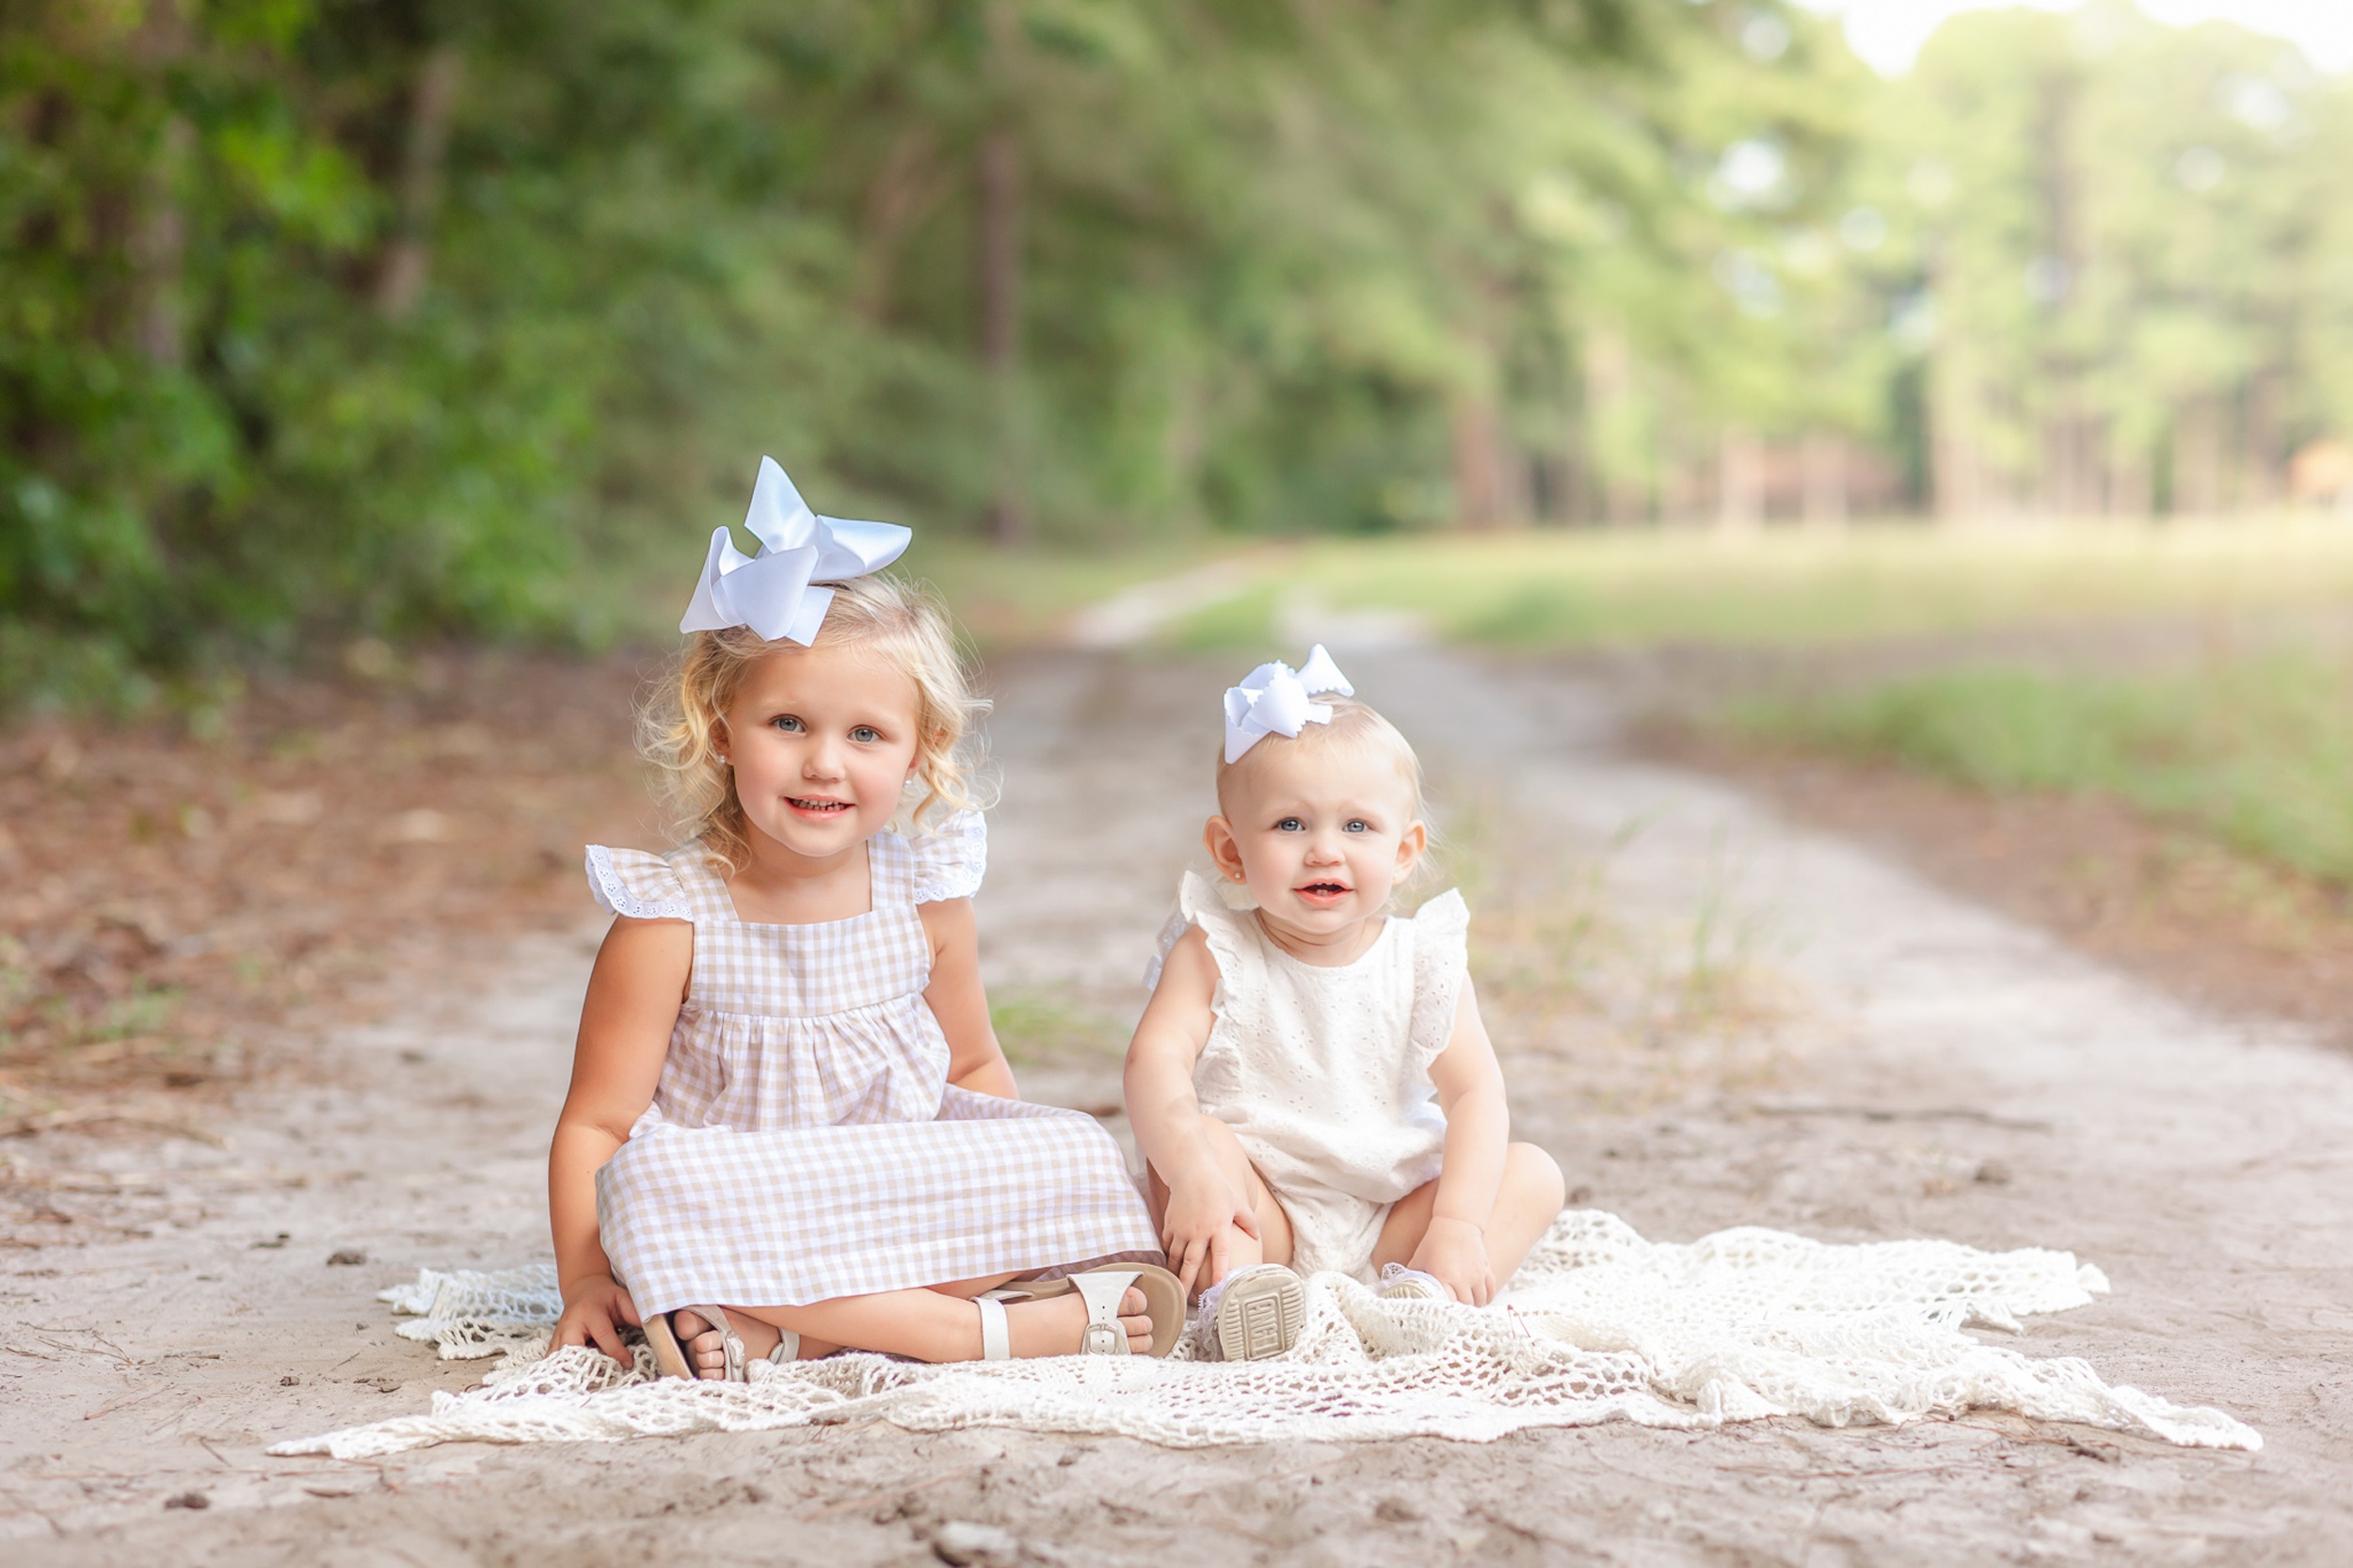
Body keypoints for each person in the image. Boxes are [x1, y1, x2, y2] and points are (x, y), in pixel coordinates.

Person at [550, 458, 1181, 1378]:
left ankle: (786, 1333)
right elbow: (599, 1126)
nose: (823, 765)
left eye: (865, 735)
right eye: (788, 725)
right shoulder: (671, 917)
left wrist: (1000, 1191)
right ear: (722, 728)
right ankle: (965, 1333)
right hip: (747, 1204)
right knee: (650, 1180)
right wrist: (580, 1280)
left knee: (1073, 1145)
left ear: (919, 748)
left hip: (890, 1191)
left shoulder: (925, 894)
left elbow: (971, 1065)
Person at [1124, 647, 1567, 1361]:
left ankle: (1423, 1296)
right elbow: (1155, 1061)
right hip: (1261, 1211)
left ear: (1403, 852)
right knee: (1192, 1144)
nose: (1325, 851)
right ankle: (1240, 1298)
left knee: (1533, 1173)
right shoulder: (1213, 950)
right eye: (1290, 826)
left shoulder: (1423, 959)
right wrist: (1197, 1171)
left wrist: (1455, 1221)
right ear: (1230, 851)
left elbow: (1477, 1092)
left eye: (1357, 827)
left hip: (1394, 1217)